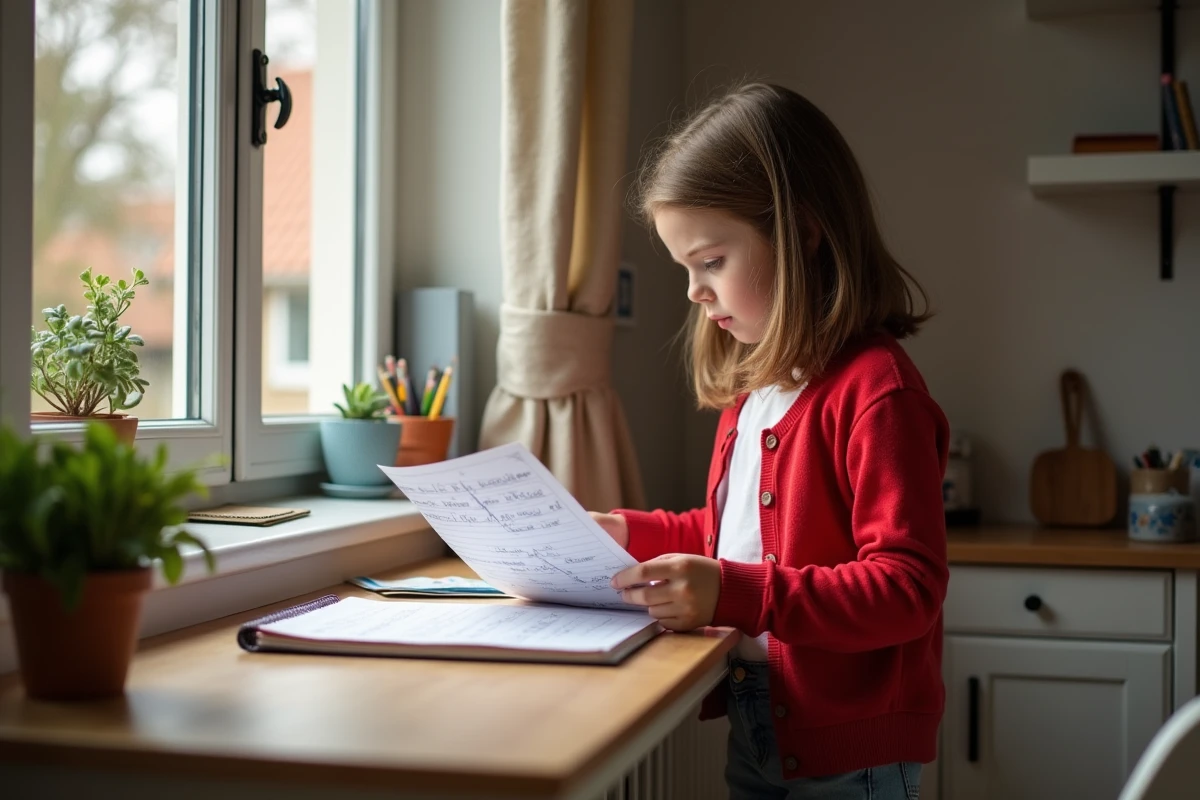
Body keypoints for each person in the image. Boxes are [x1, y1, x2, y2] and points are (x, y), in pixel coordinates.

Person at [590, 82, 949, 799]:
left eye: (711, 262)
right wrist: (624, 532)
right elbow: (739, 539)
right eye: (684, 269)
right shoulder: (757, 388)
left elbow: (906, 587)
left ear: (803, 231)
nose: (694, 291)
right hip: (762, 723)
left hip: (851, 751)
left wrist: (732, 592)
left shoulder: (877, 390)